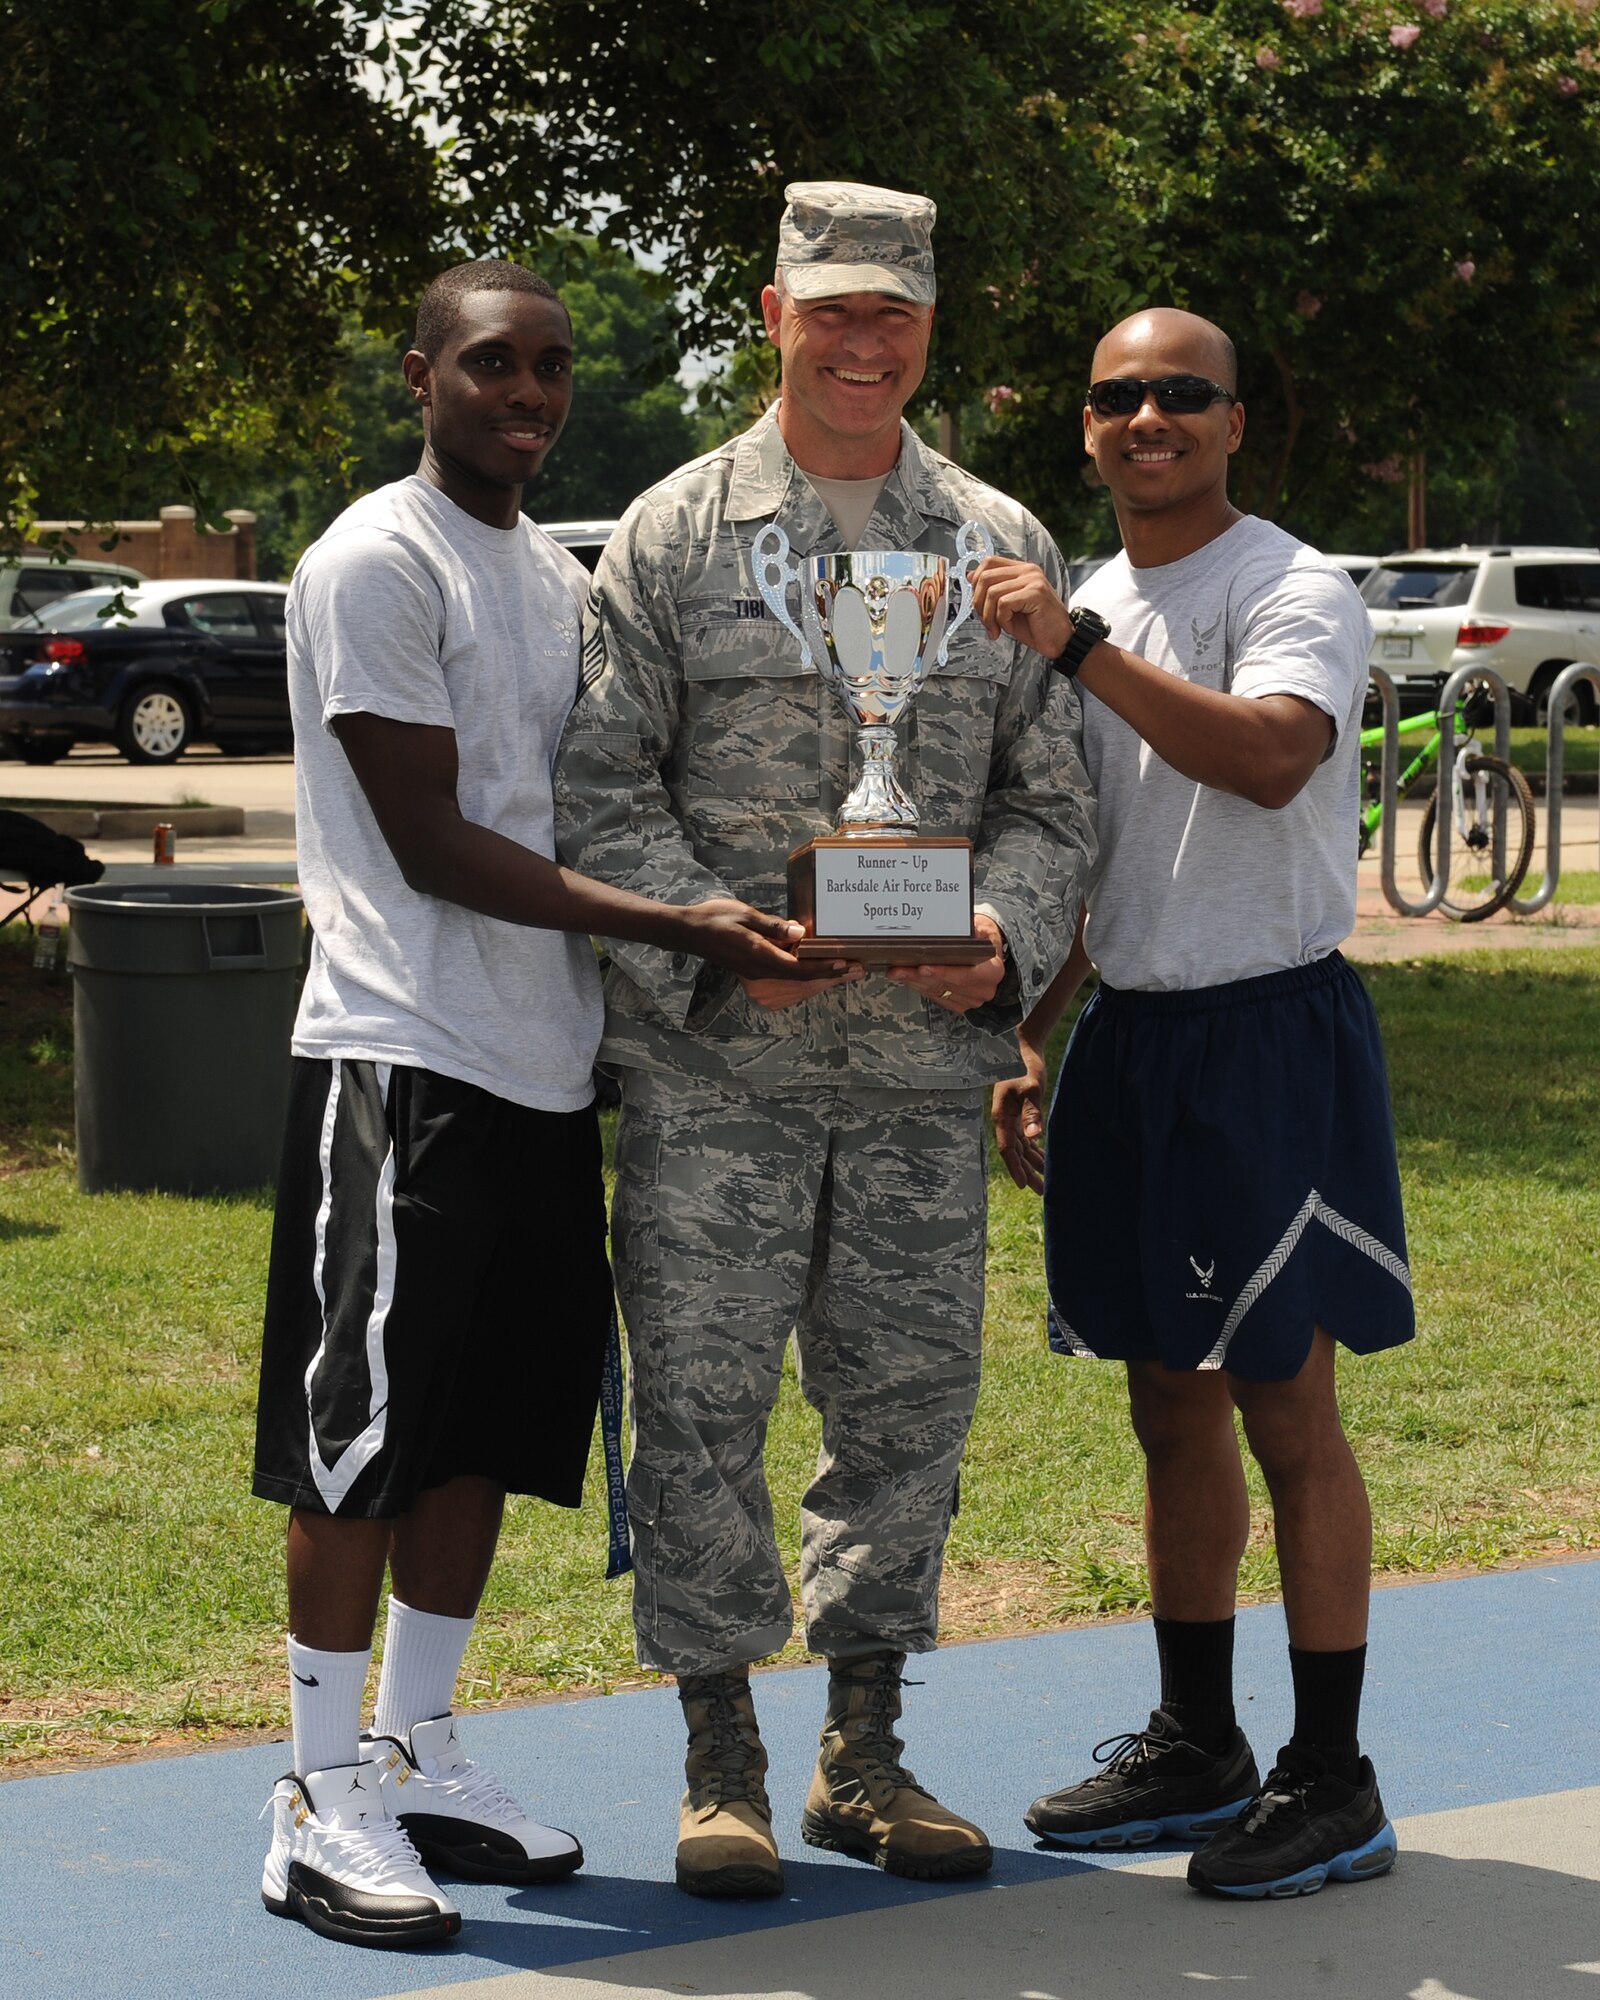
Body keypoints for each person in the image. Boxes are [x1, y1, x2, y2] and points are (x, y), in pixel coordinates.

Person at [252, 258, 805, 1950]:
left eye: (553, 368)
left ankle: (417, 1754)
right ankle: (314, 1795)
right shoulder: (375, 559)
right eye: (494, 363)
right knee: (357, 1448)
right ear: (420, 375)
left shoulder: (553, 580)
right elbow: (429, 838)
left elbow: (592, 803)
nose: (531, 394)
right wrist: (674, 921)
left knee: (487, 1435)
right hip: (398, 1061)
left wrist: (773, 883)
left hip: (542, 1074)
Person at [554, 183, 1095, 1899]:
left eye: (898, 317)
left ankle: (866, 1750)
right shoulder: (675, 531)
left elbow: (1052, 798)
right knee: (704, 1405)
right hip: (720, 1075)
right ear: (774, 313)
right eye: (834, 310)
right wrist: (716, 951)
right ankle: (722, 1751)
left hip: (925, 1082)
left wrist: (1002, 935)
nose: (865, 344)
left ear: (932, 329)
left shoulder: (997, 540)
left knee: (908, 1405)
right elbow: (596, 789)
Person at [974, 306, 1415, 1900]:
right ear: (1085, 430)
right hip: (1139, 1044)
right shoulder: (1087, 598)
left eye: (1180, 395)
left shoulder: (1289, 586)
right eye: (1117, 399)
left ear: (1234, 423)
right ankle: (1199, 1738)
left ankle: (1333, 1775)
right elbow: (1107, 855)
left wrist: (1080, 652)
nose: (1147, 418)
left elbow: (1273, 760)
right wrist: (1035, 1029)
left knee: (1287, 1403)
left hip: (1268, 1035)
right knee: (1169, 1400)